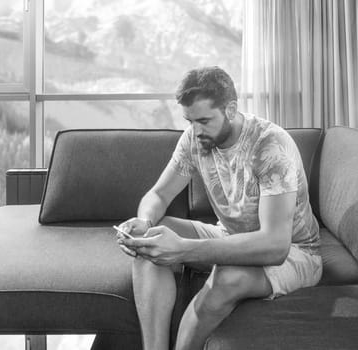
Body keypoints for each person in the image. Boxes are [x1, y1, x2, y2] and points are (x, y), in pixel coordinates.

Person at [116, 66, 322, 350]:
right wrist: (144, 222)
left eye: (203, 120)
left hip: (296, 254)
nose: (195, 130)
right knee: (149, 241)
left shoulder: (270, 147)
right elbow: (159, 195)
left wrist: (183, 249)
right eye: (190, 121)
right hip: (229, 235)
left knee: (227, 277)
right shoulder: (194, 138)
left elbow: (276, 246)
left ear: (231, 108)